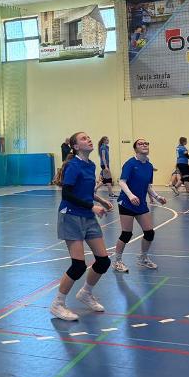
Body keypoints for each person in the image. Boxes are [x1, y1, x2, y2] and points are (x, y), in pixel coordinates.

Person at [50, 132, 113, 321]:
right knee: (78, 265)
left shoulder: (91, 165)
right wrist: (92, 207)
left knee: (103, 261)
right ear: (76, 147)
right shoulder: (73, 165)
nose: (89, 139)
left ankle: (86, 293)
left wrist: (100, 200)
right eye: (84, 139)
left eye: (89, 137)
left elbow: (84, 190)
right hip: (71, 216)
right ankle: (57, 304)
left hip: (87, 216)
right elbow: (67, 194)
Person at [113, 139, 167, 273]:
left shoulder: (149, 166)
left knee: (149, 233)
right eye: (140, 143)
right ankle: (117, 261)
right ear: (135, 148)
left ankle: (143, 258)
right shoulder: (130, 164)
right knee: (126, 234)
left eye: (146, 143)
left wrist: (157, 197)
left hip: (140, 203)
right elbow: (122, 182)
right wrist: (131, 195)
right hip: (126, 202)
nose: (144, 145)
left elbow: (148, 186)